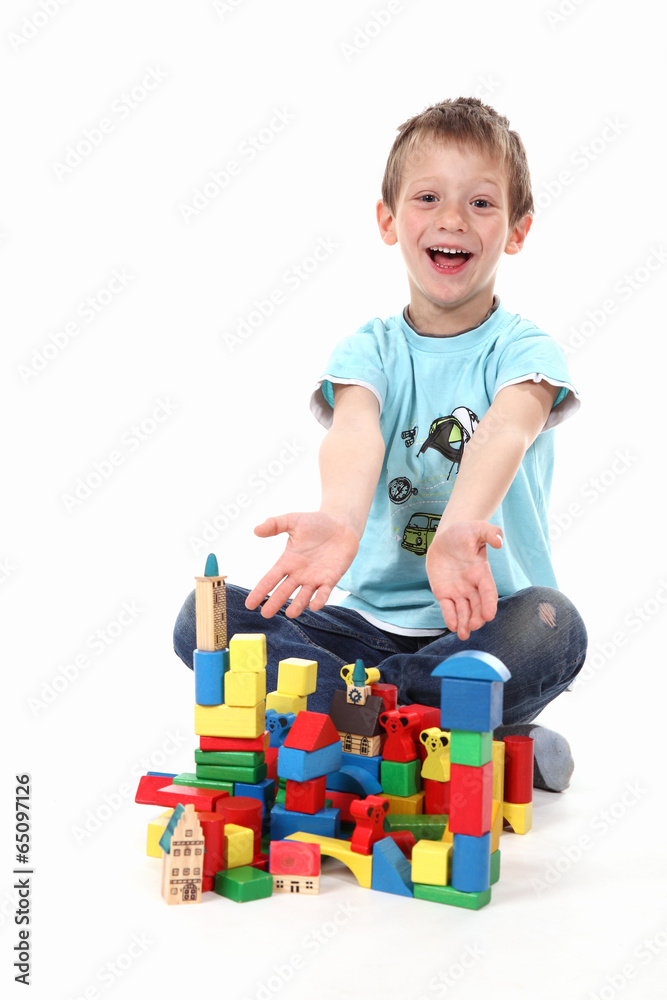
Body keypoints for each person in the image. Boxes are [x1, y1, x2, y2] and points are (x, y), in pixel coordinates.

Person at [174, 97, 588, 791]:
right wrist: (339, 518)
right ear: (388, 220)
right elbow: (355, 429)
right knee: (204, 619)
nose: (452, 220)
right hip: (361, 632)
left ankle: (363, 716)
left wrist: (457, 526)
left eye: (480, 203)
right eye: (428, 198)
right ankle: (442, 727)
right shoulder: (368, 350)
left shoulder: (525, 351)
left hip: (481, 628)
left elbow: (506, 427)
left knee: (555, 624)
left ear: (516, 230)